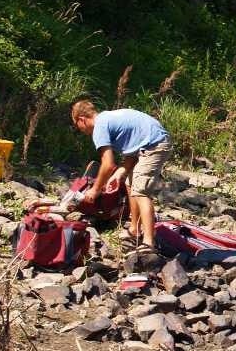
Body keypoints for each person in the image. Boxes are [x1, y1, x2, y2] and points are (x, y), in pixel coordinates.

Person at [71, 99, 171, 257]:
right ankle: (134, 229)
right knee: (130, 184)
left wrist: (95, 190)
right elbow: (132, 154)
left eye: (78, 126)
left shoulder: (99, 127)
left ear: (82, 119)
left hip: (154, 145)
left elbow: (108, 163)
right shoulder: (107, 118)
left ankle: (148, 242)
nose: (81, 130)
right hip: (150, 142)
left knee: (141, 192)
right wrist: (118, 174)